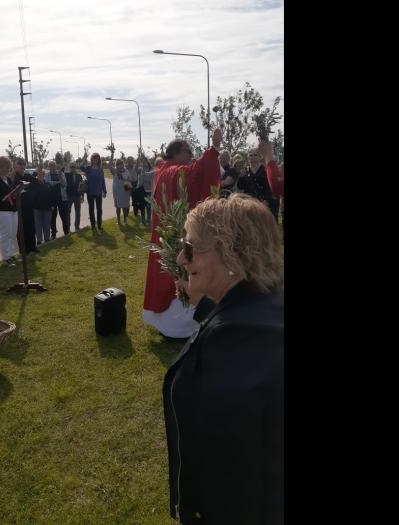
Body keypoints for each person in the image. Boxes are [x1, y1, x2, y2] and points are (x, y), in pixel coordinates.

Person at [163, 192, 284, 524]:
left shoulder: (233, 345)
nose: (180, 260)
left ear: (232, 255)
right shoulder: (264, 305)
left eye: (189, 249)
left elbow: (233, 472)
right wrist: (205, 299)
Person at [142, 127, 222, 338]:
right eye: (188, 151)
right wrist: (213, 149)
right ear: (176, 152)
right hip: (176, 232)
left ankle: (167, 324)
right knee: (177, 275)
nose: (191, 155)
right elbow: (197, 172)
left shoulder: (162, 169)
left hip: (167, 231)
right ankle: (178, 328)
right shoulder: (172, 171)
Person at [0, 156, 19, 267]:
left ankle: (10, 255)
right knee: (5, 234)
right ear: (0, 167)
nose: (8, 170)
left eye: (9, 168)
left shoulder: (8, 179)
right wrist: (6, 197)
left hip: (13, 210)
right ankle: (5, 258)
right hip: (2, 212)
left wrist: (16, 192)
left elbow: (14, 189)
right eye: (7, 168)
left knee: (12, 233)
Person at [13, 159, 38, 255]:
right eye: (20, 164)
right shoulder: (15, 177)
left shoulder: (28, 176)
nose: (22, 166)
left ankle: (32, 247)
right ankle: (24, 250)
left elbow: (36, 184)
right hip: (20, 208)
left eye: (24, 164)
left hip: (29, 206)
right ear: (16, 165)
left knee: (31, 227)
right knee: (22, 230)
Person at [246, 149, 279, 221]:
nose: (253, 157)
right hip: (250, 202)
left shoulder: (265, 170)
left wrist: (266, 200)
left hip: (264, 202)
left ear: (260, 157)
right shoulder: (245, 171)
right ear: (248, 157)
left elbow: (270, 186)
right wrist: (241, 176)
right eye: (251, 155)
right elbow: (241, 186)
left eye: (255, 155)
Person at [81, 152, 107, 231]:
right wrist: (85, 157)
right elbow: (81, 167)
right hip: (90, 192)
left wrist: (104, 191)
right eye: (94, 158)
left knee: (99, 209)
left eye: (97, 159)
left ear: (98, 160)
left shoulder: (100, 170)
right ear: (92, 160)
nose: (95, 160)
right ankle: (93, 226)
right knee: (91, 209)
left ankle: (99, 225)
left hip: (98, 192)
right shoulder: (88, 168)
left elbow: (103, 181)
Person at [46, 159, 70, 238]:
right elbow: (48, 184)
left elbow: (65, 184)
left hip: (62, 199)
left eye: (53, 165)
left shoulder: (61, 173)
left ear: (56, 166)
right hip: (52, 200)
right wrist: (57, 182)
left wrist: (60, 178)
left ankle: (66, 233)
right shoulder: (47, 175)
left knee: (64, 217)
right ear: (49, 167)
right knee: (52, 218)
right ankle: (53, 235)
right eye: (51, 166)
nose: (52, 167)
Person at [112, 158, 134, 225]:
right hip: (117, 191)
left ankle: (125, 220)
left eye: (121, 163)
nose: (120, 165)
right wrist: (112, 155)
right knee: (118, 206)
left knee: (124, 206)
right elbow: (110, 165)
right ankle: (118, 220)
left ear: (123, 164)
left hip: (125, 191)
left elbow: (130, 178)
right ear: (116, 164)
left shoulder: (126, 170)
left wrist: (127, 180)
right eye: (118, 163)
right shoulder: (114, 171)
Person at [64, 160, 84, 232]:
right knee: (68, 212)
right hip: (69, 196)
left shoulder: (79, 176)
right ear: (70, 168)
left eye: (74, 167)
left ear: (76, 168)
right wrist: (65, 164)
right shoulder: (66, 175)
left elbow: (81, 187)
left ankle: (77, 226)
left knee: (78, 212)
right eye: (71, 167)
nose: (73, 168)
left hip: (77, 196)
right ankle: (68, 227)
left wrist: (82, 196)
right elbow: (61, 171)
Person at [135, 156, 155, 226]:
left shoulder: (151, 169)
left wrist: (145, 179)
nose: (144, 163)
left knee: (148, 206)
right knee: (142, 206)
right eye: (142, 161)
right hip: (142, 190)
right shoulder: (140, 169)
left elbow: (151, 180)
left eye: (145, 161)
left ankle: (148, 220)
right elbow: (136, 170)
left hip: (149, 190)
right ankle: (143, 220)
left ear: (147, 162)